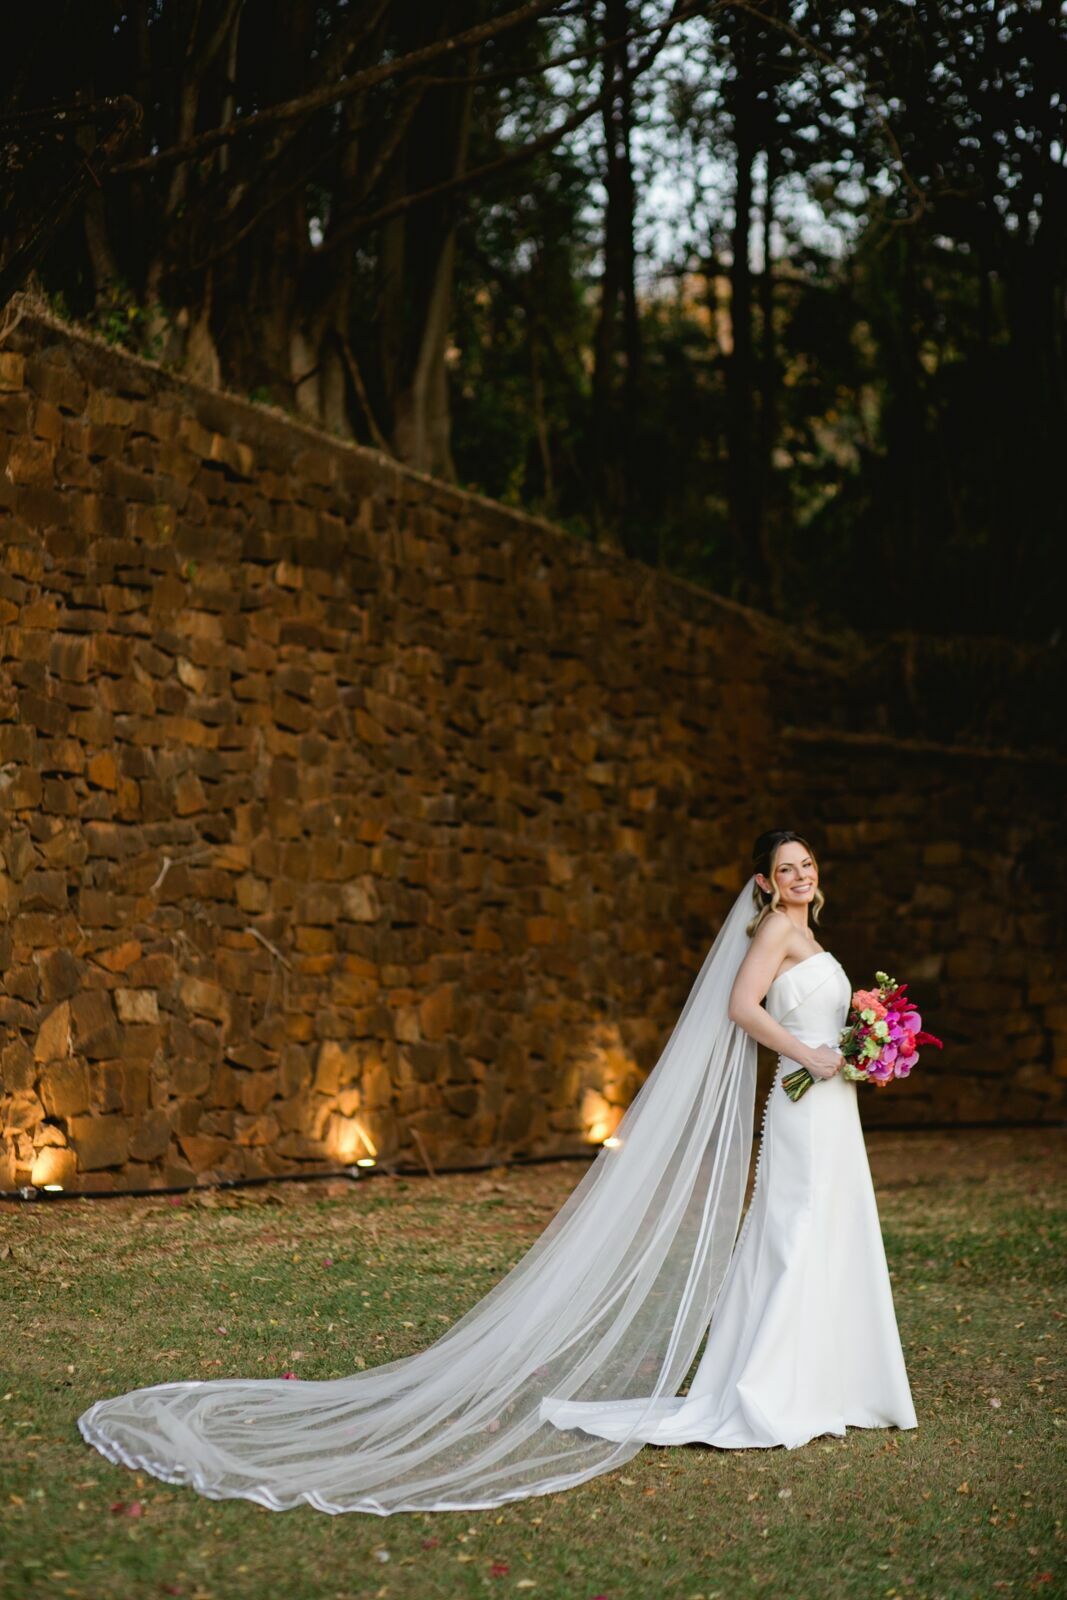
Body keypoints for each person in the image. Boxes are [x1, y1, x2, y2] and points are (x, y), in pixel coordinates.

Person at [78, 830, 916, 1516]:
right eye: (785, 870)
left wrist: (863, 1044)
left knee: (830, 1230)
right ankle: (774, 1388)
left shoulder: (813, 937)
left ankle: (832, 1378)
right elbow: (742, 1008)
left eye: (806, 867)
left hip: (831, 1105)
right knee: (792, 1231)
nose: (799, 878)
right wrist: (808, 1049)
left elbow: (823, 1017)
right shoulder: (774, 933)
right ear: (764, 886)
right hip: (803, 1104)